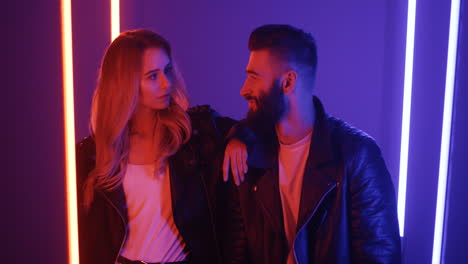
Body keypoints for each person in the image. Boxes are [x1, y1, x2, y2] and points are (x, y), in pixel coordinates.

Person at [222, 24, 401, 264]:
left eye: (254, 77)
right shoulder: (249, 154)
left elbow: (379, 256)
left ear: (288, 83)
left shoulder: (357, 156)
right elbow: (237, 253)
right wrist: (237, 135)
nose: (244, 89)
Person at [76, 29, 240, 264]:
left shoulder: (193, 135)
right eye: (152, 76)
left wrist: (240, 139)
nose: (166, 83)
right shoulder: (91, 156)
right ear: (125, 83)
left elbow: (253, 128)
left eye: (168, 70)